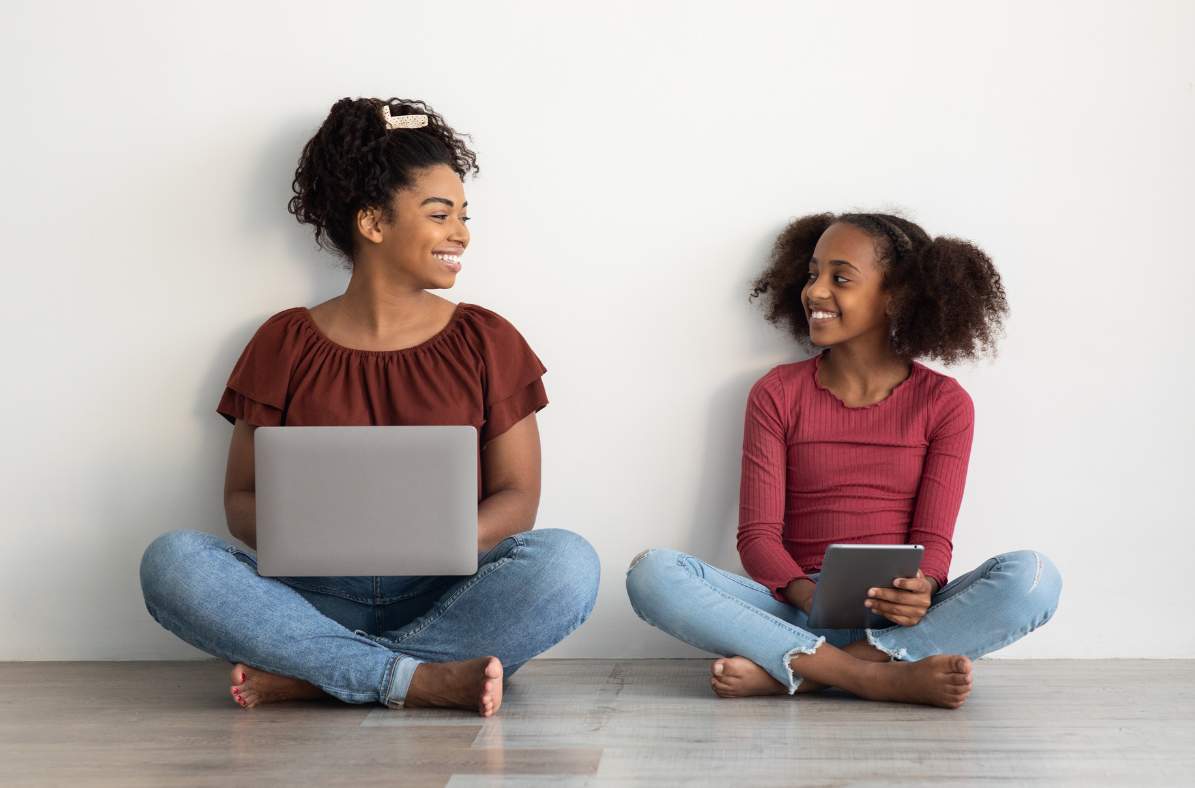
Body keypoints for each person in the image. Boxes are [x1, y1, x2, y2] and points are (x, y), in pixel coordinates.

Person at [140, 97, 600, 716]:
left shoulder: (488, 339)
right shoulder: (284, 341)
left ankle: (325, 673)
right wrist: (315, 534)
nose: (462, 232)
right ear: (373, 223)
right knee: (172, 562)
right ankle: (415, 678)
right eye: (441, 214)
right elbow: (240, 501)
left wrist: (446, 537)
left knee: (567, 563)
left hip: (447, 594)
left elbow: (518, 496)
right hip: (310, 597)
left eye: (464, 215)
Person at [625, 212, 1061, 709]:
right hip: (793, 611)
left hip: (899, 616)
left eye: (840, 278)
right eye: (812, 274)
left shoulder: (945, 403)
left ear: (896, 294)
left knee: (1034, 578)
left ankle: (808, 672)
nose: (815, 291)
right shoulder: (777, 393)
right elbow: (758, 538)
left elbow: (935, 539)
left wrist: (924, 587)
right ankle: (878, 676)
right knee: (653, 573)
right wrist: (807, 593)